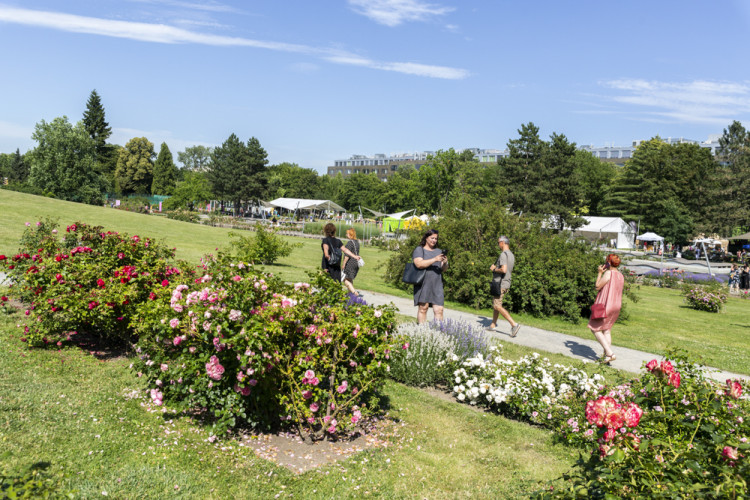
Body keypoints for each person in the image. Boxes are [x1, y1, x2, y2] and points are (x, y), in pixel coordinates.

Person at [588, 254, 625, 364]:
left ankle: (609, 353)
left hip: (605, 305)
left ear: (608, 262)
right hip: (616, 305)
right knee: (607, 330)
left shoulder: (609, 273)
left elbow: (597, 286)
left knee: (594, 328)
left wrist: (600, 273)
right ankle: (606, 358)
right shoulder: (621, 276)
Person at [487, 235, 521, 337]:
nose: (498, 245)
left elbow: (503, 270)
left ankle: (514, 325)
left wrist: (494, 269)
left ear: (502, 242)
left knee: (497, 305)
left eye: (498, 243)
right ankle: (493, 325)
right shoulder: (511, 254)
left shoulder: (503, 255)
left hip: (500, 284)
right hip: (506, 283)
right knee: (496, 304)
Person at [412, 229, 448, 324]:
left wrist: (445, 263)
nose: (434, 240)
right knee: (423, 308)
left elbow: (443, 269)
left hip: (437, 284)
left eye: (436, 238)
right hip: (423, 283)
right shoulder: (419, 249)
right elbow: (419, 264)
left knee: (439, 310)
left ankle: (438, 332)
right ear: (426, 238)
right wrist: (435, 259)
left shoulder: (439, 251)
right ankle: (422, 332)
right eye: (432, 238)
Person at [341, 227, 363, 295]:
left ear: (350, 234)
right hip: (356, 262)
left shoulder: (350, 243)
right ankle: (349, 294)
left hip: (350, 262)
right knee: (350, 279)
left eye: (347, 234)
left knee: (345, 279)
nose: (346, 235)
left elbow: (347, 255)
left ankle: (354, 292)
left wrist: (344, 263)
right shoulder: (357, 242)